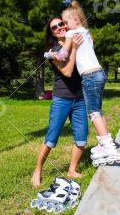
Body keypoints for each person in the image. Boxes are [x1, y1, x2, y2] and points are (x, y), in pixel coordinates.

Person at [44, 1, 120, 166]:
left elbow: (62, 55)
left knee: (94, 112)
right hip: (100, 74)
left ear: (76, 20)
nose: (64, 26)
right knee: (98, 111)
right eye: (58, 25)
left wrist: (48, 55)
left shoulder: (70, 34)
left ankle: (107, 146)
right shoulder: (86, 33)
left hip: (89, 76)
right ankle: (107, 143)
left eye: (65, 23)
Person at [31, 17, 88, 187]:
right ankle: (38, 170)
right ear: (52, 33)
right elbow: (68, 71)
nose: (59, 28)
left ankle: (72, 169)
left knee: (82, 138)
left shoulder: (77, 40)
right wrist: (75, 49)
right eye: (54, 27)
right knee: (51, 138)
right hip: (61, 98)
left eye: (61, 24)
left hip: (80, 98)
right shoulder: (53, 51)